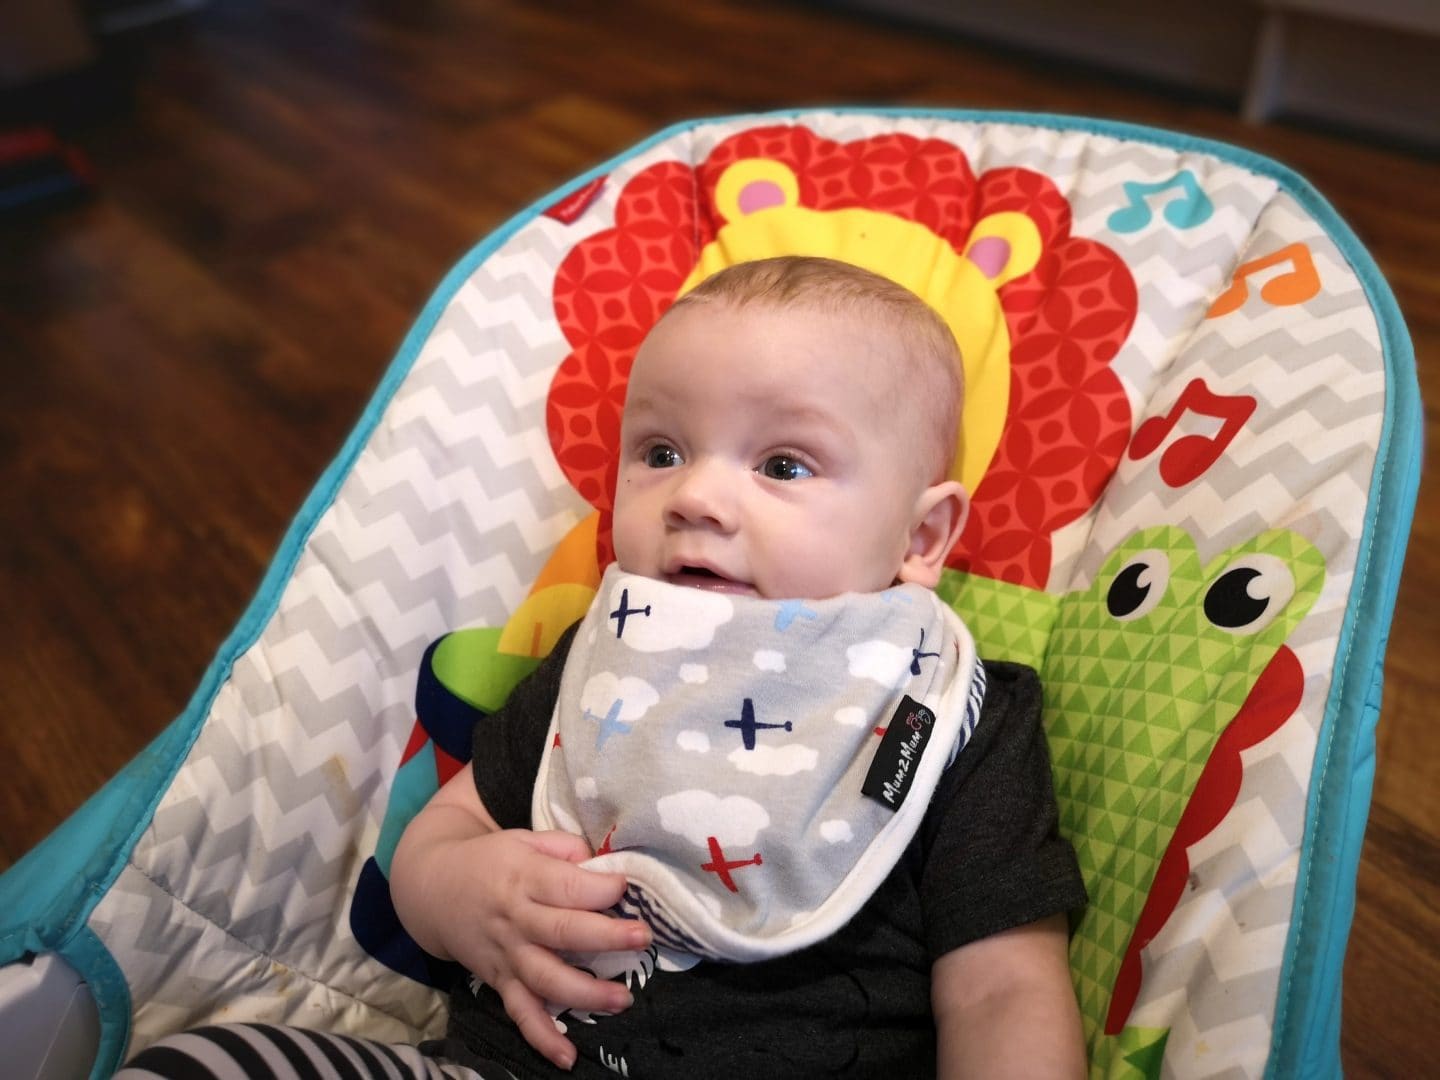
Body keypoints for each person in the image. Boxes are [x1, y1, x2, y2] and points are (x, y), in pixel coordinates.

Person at [118, 257, 1087, 1079]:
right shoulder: (612, 658)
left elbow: (1004, 990)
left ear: (921, 538)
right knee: (204, 1063)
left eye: (783, 465)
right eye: (661, 451)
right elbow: (443, 831)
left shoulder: (951, 715)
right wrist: (463, 892)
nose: (695, 495)